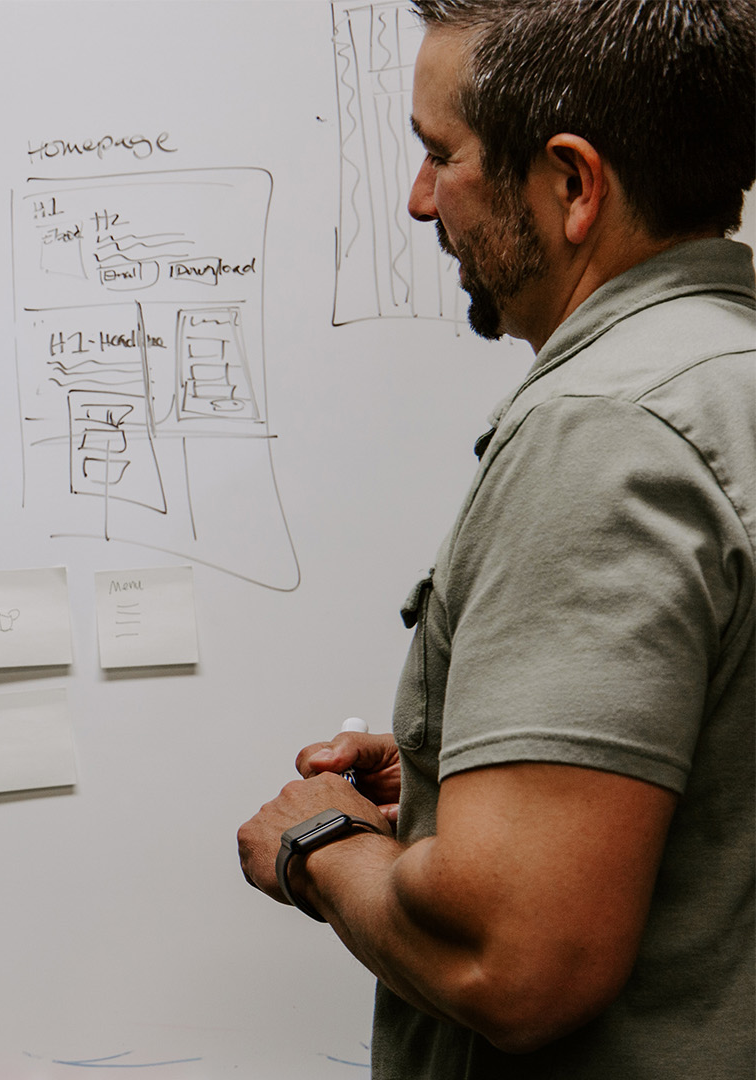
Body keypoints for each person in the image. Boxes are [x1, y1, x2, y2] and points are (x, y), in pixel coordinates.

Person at [235, 1, 754, 1077]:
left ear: (572, 183)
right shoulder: (727, 377)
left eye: (442, 156)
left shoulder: (607, 430)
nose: (421, 200)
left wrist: (317, 844)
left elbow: (517, 961)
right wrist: (444, 777)